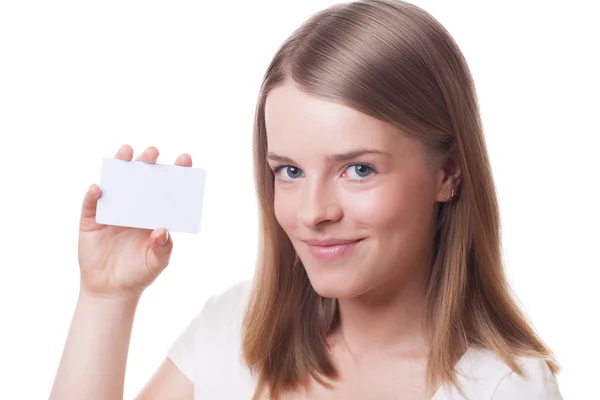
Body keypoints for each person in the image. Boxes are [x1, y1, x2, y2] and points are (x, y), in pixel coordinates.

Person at [49, 0, 563, 399]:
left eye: (358, 169)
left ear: (447, 173)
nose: (314, 212)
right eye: (289, 171)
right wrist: (106, 298)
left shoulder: (505, 388)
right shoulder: (239, 329)